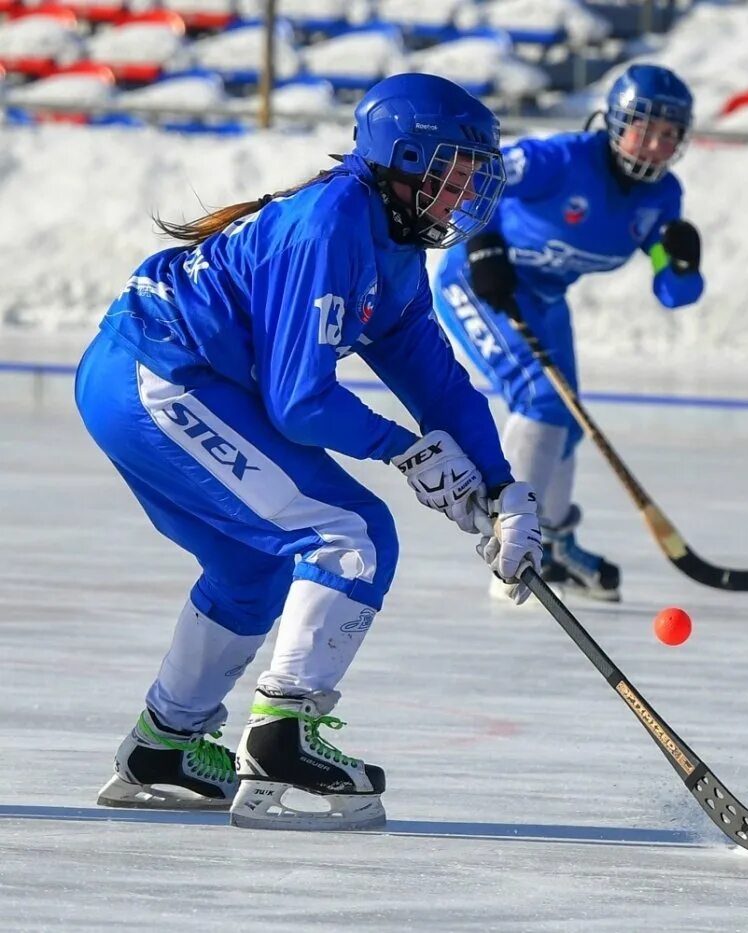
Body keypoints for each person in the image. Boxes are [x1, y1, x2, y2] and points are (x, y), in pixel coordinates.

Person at [75, 73, 543, 830]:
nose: (465, 195)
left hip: (143, 381)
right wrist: (405, 451)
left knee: (251, 567)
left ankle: (163, 746)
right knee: (350, 532)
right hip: (159, 378)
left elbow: (440, 383)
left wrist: (502, 489)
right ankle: (282, 737)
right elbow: (301, 401)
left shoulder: (388, 244)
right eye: (455, 173)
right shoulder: (331, 224)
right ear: (406, 157)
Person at [433, 63, 704, 603]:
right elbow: (479, 181)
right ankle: (509, 547)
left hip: (544, 301)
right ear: (616, 122)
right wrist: (482, 244)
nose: (653, 145)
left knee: (567, 423)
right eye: (644, 128)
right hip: (480, 280)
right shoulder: (559, 159)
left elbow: (670, 291)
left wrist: (681, 267)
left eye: (668, 134)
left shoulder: (660, 199)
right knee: (539, 400)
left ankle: (552, 540)